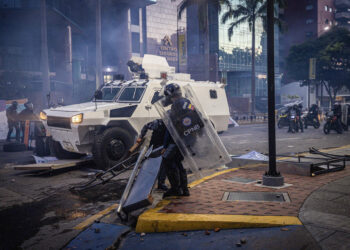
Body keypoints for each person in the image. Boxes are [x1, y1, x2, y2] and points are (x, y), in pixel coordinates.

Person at [161, 83, 192, 198]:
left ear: (170, 95)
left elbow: (171, 128)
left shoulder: (176, 105)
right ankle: (184, 189)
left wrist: (165, 145)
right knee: (178, 163)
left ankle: (176, 188)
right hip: (186, 139)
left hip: (177, 140)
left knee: (167, 160)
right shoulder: (186, 102)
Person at [137, 119, 168, 191]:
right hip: (155, 146)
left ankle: (161, 184)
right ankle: (145, 184)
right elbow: (146, 127)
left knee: (163, 165)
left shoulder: (170, 124)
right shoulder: (157, 122)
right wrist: (140, 137)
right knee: (151, 164)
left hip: (163, 146)